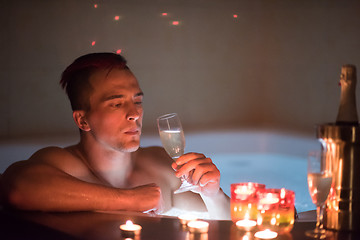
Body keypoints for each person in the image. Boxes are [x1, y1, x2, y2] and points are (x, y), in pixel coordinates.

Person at [0, 52, 230, 220]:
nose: (134, 114)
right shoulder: (64, 165)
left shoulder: (159, 163)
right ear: (83, 120)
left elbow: (227, 223)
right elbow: (15, 188)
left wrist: (213, 194)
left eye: (137, 101)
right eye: (116, 104)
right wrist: (130, 200)